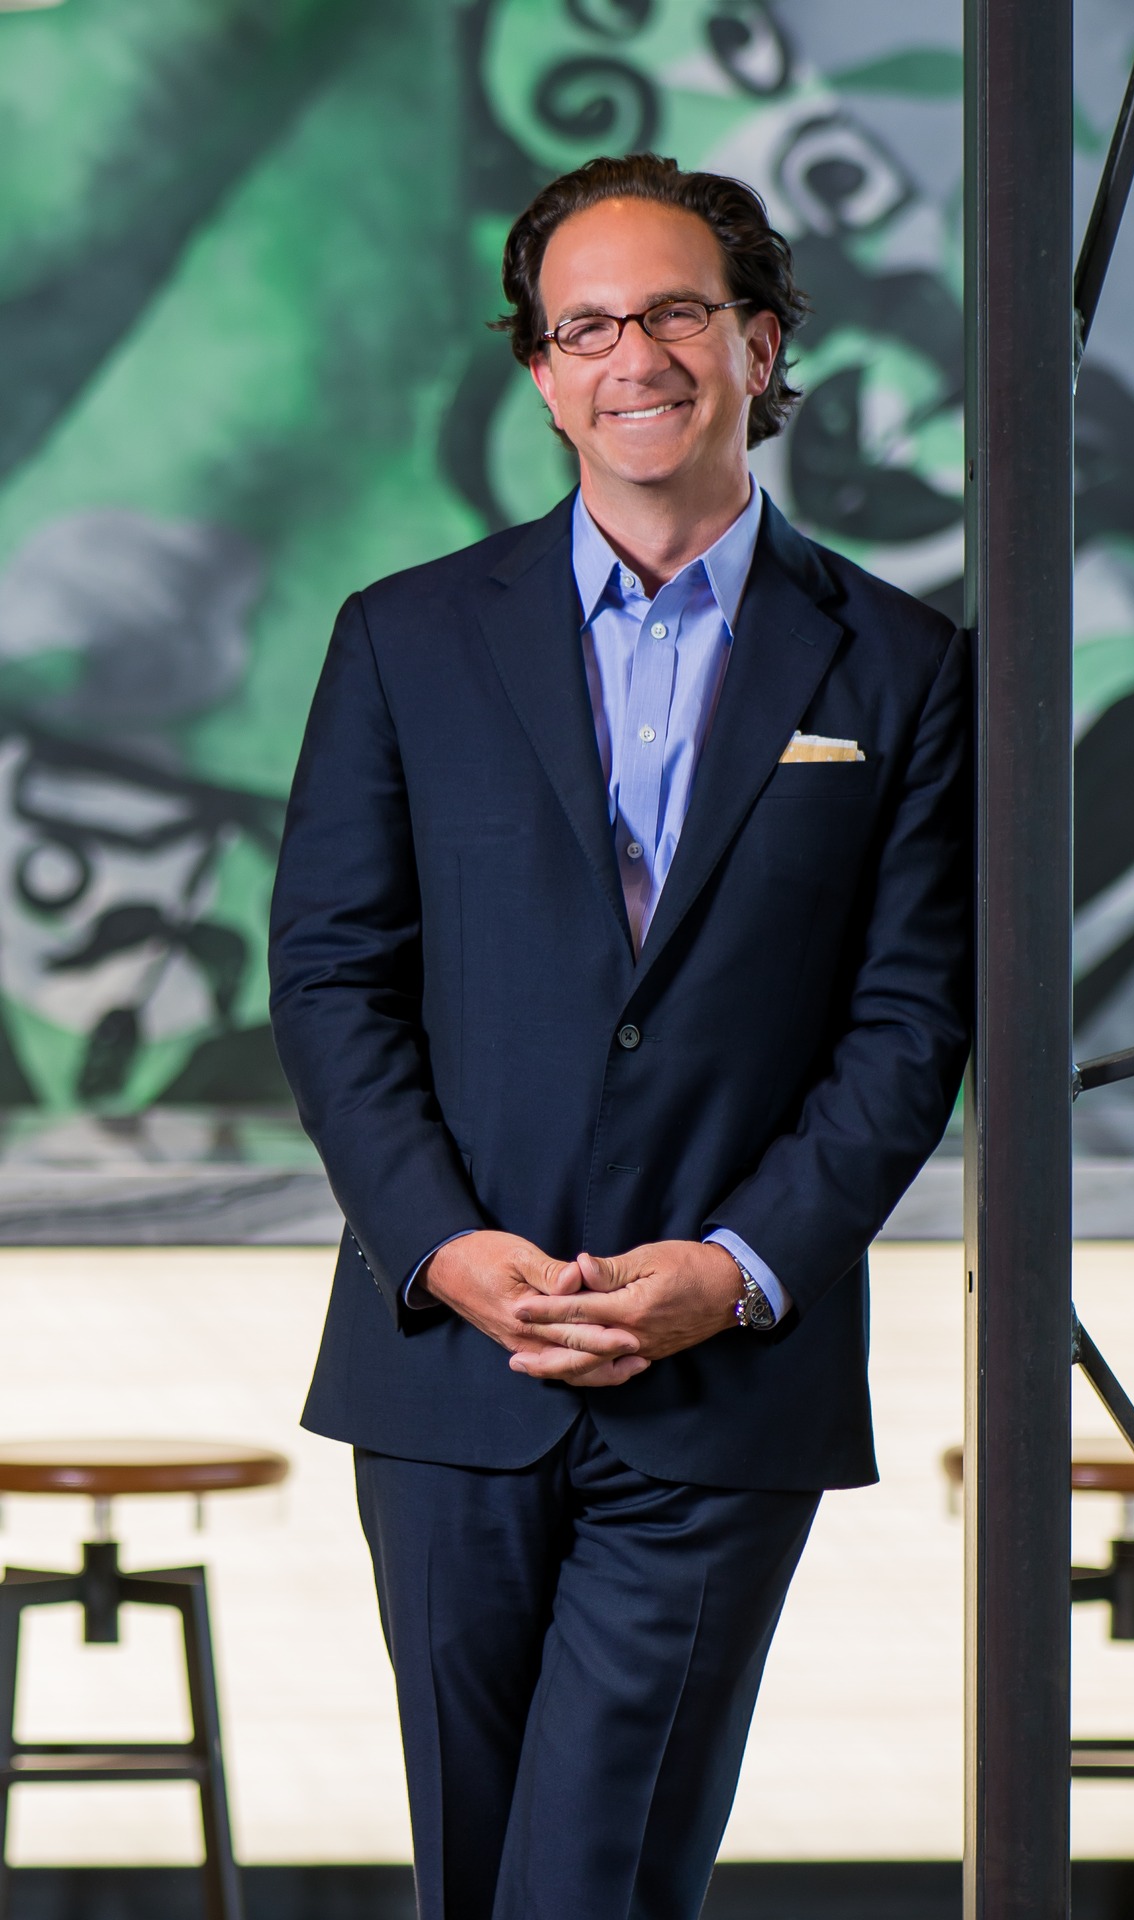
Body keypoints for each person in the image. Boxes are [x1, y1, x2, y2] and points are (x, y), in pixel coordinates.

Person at [268, 151, 971, 1920]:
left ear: (755, 338)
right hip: (450, 1366)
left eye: (672, 311)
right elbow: (332, 977)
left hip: (721, 1365)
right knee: (470, 1877)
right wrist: (444, 1246)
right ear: (537, 372)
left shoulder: (900, 668)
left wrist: (732, 1269)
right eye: (583, 326)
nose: (630, 356)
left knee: (594, 1879)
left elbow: (909, 1021)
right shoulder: (405, 638)